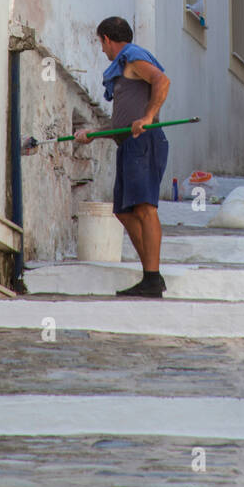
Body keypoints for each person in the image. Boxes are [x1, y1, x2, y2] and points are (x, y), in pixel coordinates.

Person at [75, 17, 170, 297]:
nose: (102, 50)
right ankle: (151, 275)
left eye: (100, 43)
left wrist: (149, 117)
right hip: (129, 145)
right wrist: (94, 134)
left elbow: (161, 80)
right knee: (123, 211)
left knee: (144, 208)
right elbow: (123, 122)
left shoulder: (131, 58)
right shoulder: (123, 70)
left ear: (106, 39)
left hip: (144, 142)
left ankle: (152, 277)